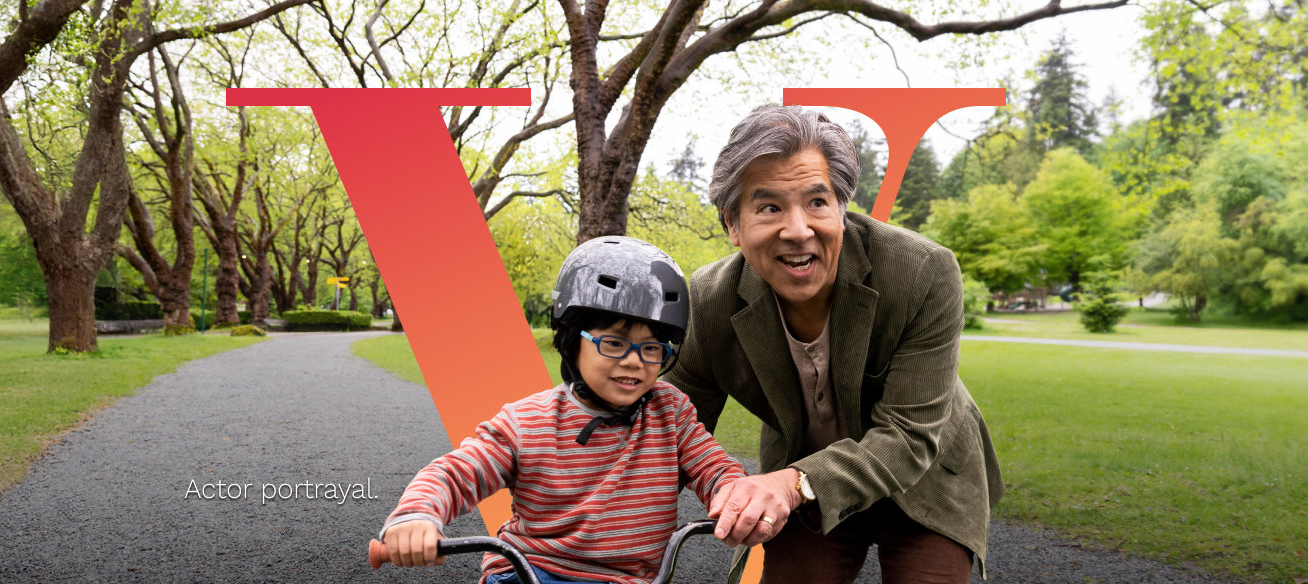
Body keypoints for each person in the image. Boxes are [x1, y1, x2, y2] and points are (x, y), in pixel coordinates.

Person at [670, 104, 1004, 584]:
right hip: (803, 468)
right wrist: (584, 511)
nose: (798, 230)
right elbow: (667, 429)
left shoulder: (923, 272)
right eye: (769, 207)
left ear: (842, 210)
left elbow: (908, 436)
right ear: (732, 225)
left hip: (925, 473)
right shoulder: (708, 300)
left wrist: (790, 484)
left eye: (817, 202)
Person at [379, 236, 751, 584]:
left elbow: (715, 467)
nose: (634, 361)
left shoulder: (671, 413)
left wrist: (736, 495)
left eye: (652, 348)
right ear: (572, 342)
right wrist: (418, 514)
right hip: (531, 572)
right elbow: (455, 474)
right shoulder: (527, 422)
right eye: (614, 343)